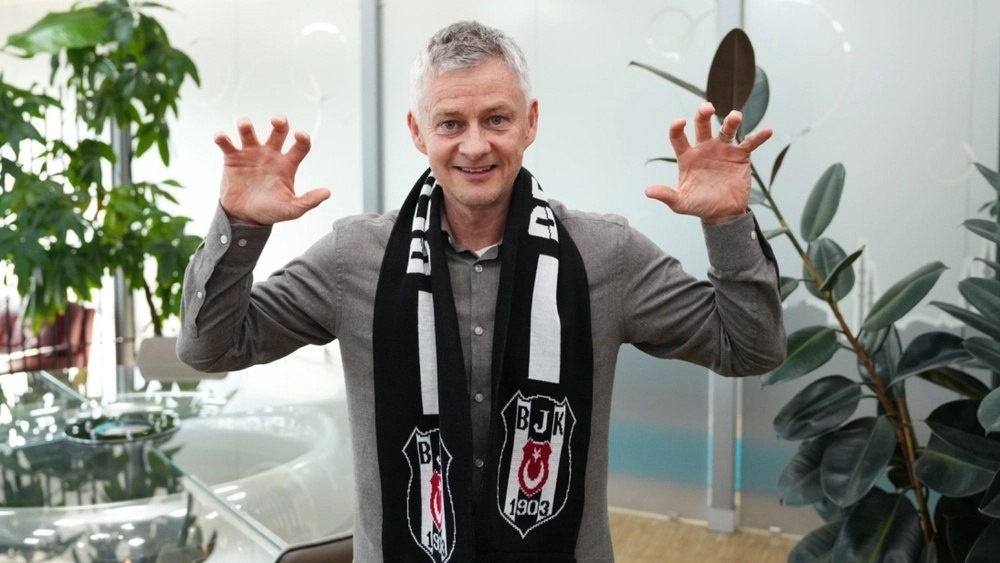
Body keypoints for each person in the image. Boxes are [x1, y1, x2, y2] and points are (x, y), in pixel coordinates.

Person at [177, 20, 785, 563]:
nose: (474, 145)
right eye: (450, 123)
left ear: (530, 123)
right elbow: (211, 347)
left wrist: (727, 223)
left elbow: (750, 347)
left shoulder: (607, 254)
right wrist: (241, 228)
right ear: (418, 132)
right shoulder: (352, 258)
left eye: (496, 119)